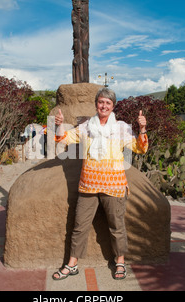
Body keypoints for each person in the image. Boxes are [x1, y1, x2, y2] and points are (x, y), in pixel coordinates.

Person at [52, 87, 148, 280]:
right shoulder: (86, 127)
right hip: (88, 185)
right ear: (96, 104)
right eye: (101, 102)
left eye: (108, 103)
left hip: (114, 186)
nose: (104, 106)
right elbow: (64, 138)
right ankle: (72, 264)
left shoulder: (121, 128)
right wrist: (59, 125)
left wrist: (143, 129)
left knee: (116, 225)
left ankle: (120, 261)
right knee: (80, 225)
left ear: (113, 106)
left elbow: (139, 148)